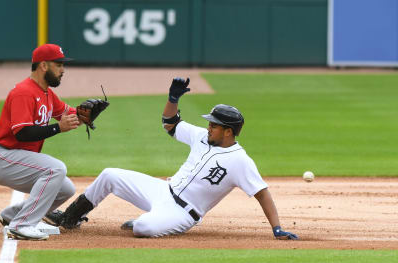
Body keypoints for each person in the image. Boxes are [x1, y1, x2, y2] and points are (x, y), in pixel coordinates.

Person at [45, 78, 298, 240]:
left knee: (143, 228)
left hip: (183, 213)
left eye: (214, 125)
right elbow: (170, 124)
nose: (208, 127)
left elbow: (262, 193)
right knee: (110, 174)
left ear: (229, 131)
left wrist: (276, 228)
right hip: (162, 190)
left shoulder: (240, 161)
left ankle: (152, 220)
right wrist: (173, 99)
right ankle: (70, 218)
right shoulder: (201, 136)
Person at [0, 44, 82, 241]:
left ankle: (12, 216)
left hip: (17, 158)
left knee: (66, 189)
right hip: (3, 157)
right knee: (56, 169)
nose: (63, 70)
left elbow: (68, 113)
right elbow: (22, 133)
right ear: (44, 66)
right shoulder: (24, 92)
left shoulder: (47, 93)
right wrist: (57, 128)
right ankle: (22, 225)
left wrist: (86, 114)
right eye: (59, 64)